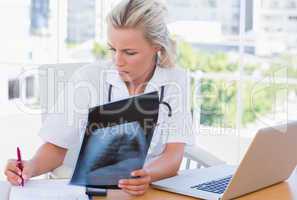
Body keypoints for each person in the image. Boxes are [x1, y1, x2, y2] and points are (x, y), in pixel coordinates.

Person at [4, 0, 194, 196]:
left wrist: (147, 175)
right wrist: (29, 167)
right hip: (94, 192)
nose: (118, 61)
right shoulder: (88, 79)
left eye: (129, 52)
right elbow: (55, 147)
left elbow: (173, 155)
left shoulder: (175, 81)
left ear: (156, 47)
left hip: (149, 190)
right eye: (113, 49)